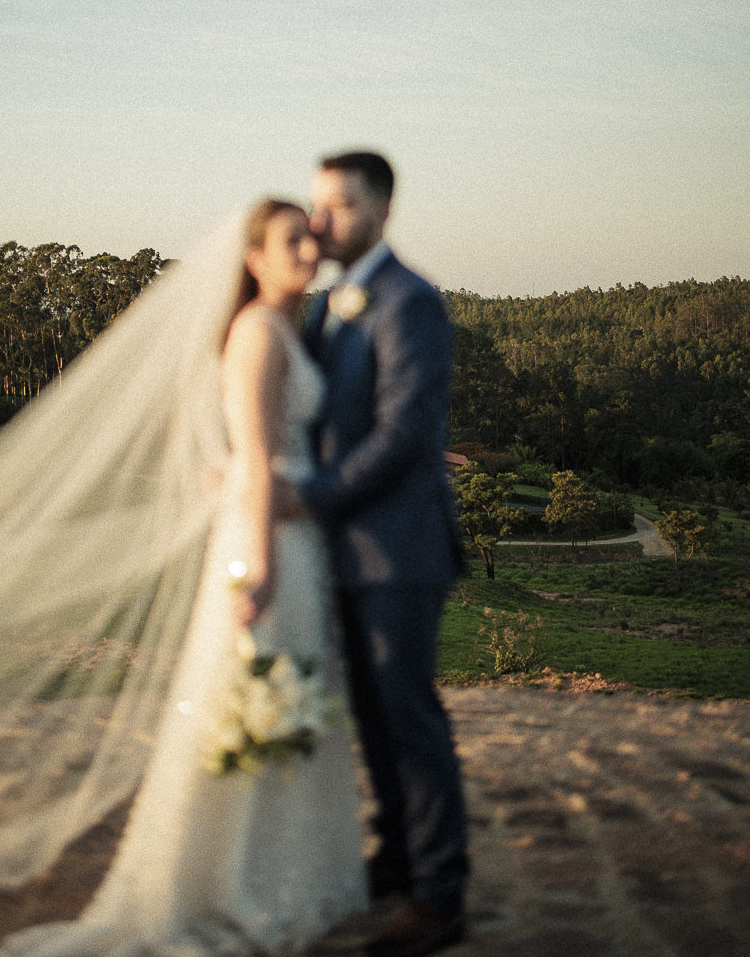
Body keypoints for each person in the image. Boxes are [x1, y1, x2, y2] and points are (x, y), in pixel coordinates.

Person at [0, 199, 366, 956]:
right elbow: (257, 456)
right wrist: (255, 563)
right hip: (269, 542)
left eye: (308, 240)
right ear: (252, 258)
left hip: (290, 534)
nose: (306, 251)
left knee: (279, 694)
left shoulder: (290, 328)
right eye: (290, 241)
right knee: (255, 691)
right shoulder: (258, 332)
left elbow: (248, 451)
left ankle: (271, 866)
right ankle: (224, 877)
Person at [296, 152, 469, 957]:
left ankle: (438, 896)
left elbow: (405, 436)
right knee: (370, 718)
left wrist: (313, 494)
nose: (318, 219)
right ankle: (397, 855)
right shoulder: (328, 303)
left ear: (380, 213)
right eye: (315, 202)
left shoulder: (410, 301)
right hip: (342, 553)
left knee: (408, 721)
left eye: (337, 205)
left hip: (399, 550)